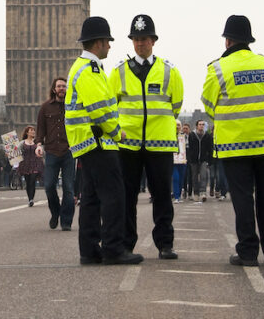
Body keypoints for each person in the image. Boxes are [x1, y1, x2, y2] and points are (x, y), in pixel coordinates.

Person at [202, 15, 264, 267]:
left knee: (242, 199)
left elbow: (208, 105)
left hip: (235, 145)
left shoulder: (217, 69)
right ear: (249, 40)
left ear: (227, 41)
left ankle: (248, 251)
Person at [67, 16, 142, 265]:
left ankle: (89, 250)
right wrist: (115, 130)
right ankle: (113, 248)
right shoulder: (90, 69)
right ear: (98, 43)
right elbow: (99, 108)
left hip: (87, 142)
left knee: (91, 197)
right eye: (108, 41)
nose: (110, 46)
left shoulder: (82, 67)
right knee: (114, 195)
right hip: (98, 140)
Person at [107, 14, 183, 260]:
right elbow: (111, 105)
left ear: (153, 41)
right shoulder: (118, 72)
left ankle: (165, 244)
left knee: (162, 196)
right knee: (127, 196)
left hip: (159, 143)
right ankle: (127, 244)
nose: (140, 43)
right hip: (127, 143)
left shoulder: (170, 72)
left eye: (145, 39)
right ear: (132, 42)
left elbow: (176, 105)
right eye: (136, 39)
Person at [36, 77, 76, 231]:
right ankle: (55, 212)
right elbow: (40, 129)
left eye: (64, 86)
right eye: (59, 86)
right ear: (54, 89)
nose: (61, 88)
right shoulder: (45, 107)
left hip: (69, 151)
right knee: (49, 185)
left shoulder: (73, 106)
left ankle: (66, 221)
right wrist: (39, 144)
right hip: (52, 151)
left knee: (69, 188)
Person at [187, 120, 213, 203]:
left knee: (203, 176)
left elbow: (210, 148)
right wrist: (190, 158)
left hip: (203, 159)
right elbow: (189, 148)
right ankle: (196, 194)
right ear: (196, 126)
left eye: (203, 124)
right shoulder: (192, 135)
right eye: (200, 124)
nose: (201, 126)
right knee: (194, 177)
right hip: (193, 159)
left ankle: (203, 193)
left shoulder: (207, 135)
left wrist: (210, 159)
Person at [18, 126, 42, 206]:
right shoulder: (22, 143)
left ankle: (31, 199)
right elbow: (17, 152)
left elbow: (42, 152)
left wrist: (40, 152)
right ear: (27, 132)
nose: (33, 132)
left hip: (35, 164)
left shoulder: (36, 142)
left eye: (34, 131)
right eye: (31, 130)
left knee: (32, 181)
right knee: (28, 182)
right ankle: (30, 199)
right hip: (25, 164)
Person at [172, 120, 188, 203]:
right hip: (173, 161)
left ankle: (179, 196)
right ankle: (176, 196)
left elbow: (188, 147)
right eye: (176, 125)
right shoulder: (170, 135)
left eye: (178, 125)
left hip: (182, 160)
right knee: (176, 178)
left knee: (181, 178)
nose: (177, 126)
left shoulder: (184, 136)